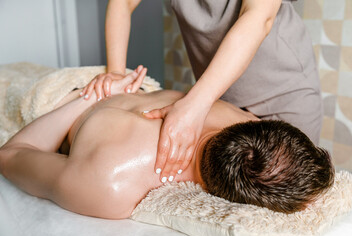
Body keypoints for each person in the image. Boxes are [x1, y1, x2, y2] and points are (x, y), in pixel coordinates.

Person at [0, 68, 334, 219]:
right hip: (70, 95)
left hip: (121, 86)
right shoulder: (109, 184)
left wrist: (111, 92)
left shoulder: (241, 121)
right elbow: (10, 155)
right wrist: (84, 99)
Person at [80, 0, 323, 184]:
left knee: (286, 196)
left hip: (285, 91)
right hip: (221, 97)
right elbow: (122, 3)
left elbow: (259, 18)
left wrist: (195, 105)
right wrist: (117, 73)